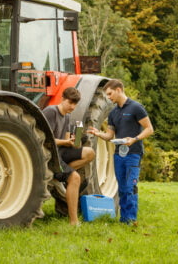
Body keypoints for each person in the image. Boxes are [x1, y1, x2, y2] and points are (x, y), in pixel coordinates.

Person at [88, 79, 154, 224]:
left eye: (110, 93)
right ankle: (124, 219)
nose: (109, 97)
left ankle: (130, 219)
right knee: (122, 188)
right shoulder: (113, 113)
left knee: (130, 186)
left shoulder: (136, 108)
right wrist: (98, 133)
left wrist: (135, 139)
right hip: (119, 155)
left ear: (119, 90)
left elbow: (149, 129)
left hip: (133, 154)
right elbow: (110, 136)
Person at [43, 87, 95, 225]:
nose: (72, 107)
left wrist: (73, 142)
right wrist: (65, 142)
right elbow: (45, 139)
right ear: (62, 99)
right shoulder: (50, 112)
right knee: (75, 177)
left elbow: (65, 140)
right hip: (51, 154)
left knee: (89, 153)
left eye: (75, 104)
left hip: (62, 151)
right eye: (70, 103)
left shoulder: (66, 117)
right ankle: (74, 221)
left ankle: (60, 175)